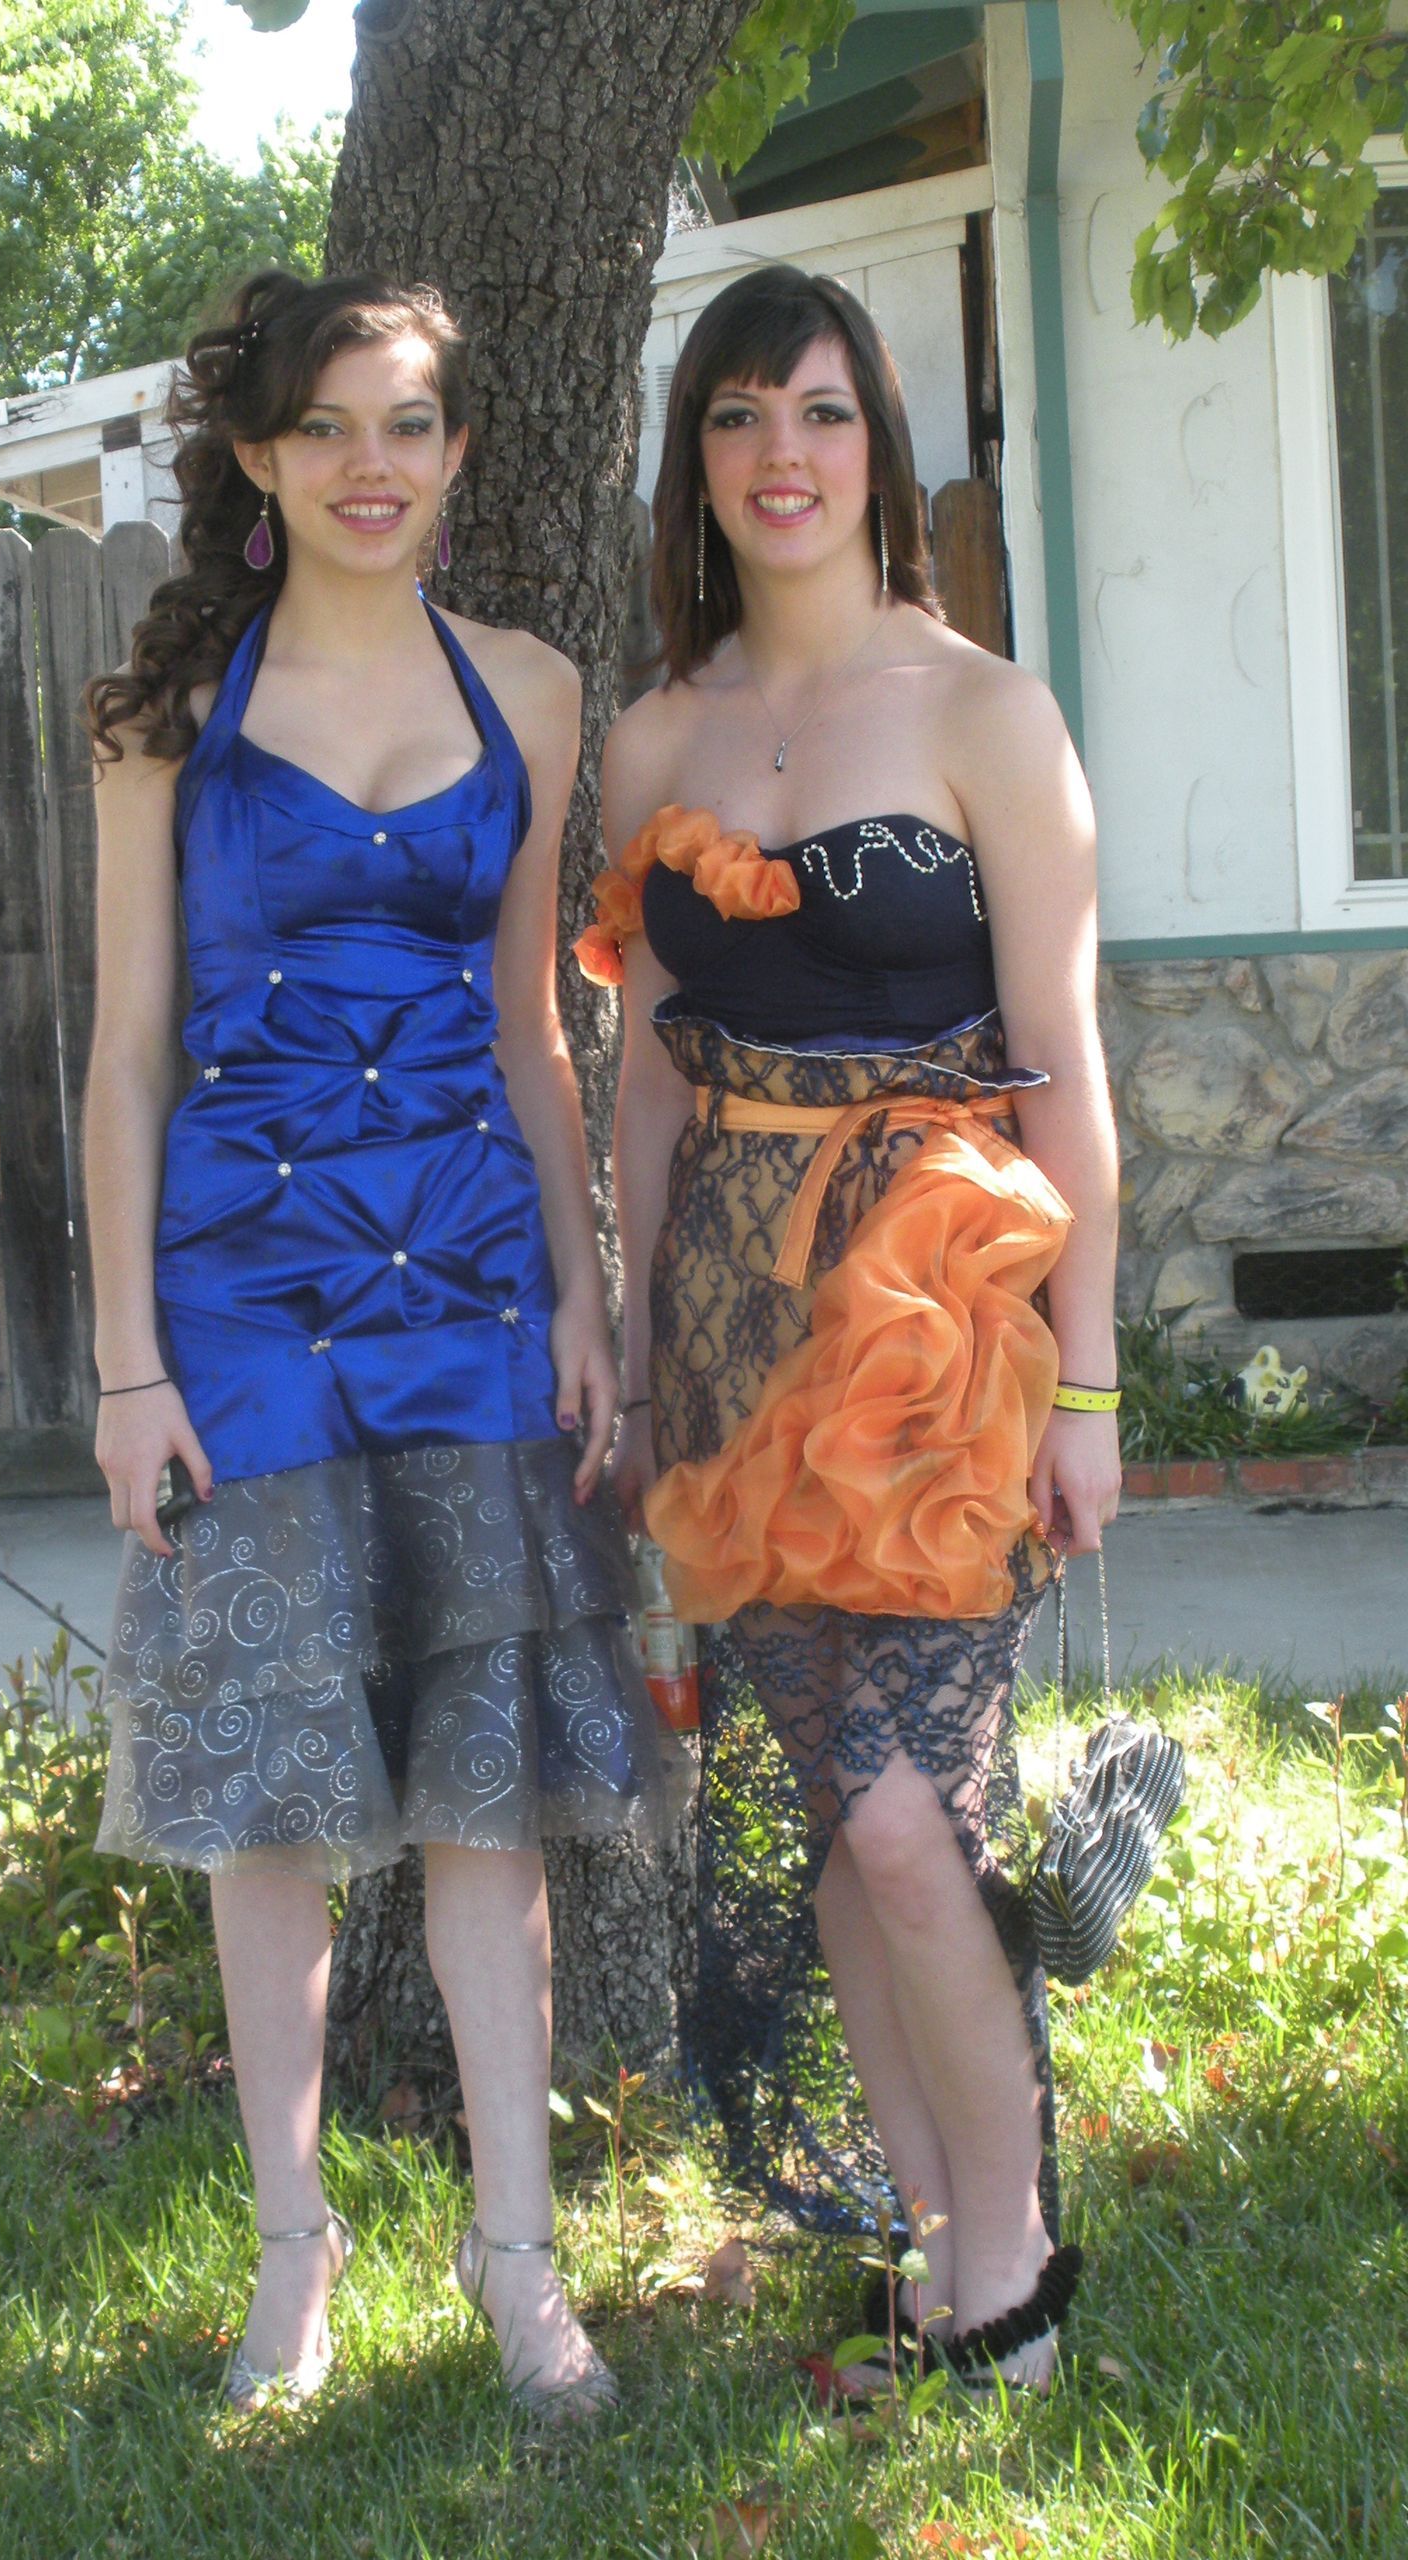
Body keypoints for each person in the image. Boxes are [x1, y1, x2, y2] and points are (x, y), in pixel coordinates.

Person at [82, 270, 677, 2421]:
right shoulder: (167, 713)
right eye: (325, 425)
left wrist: (589, 1292)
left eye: (407, 424)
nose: (369, 464)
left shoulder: (530, 686)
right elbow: (125, 1050)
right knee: (270, 1804)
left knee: (485, 1801)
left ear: (456, 451)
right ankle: (292, 2252)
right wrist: (126, 1360)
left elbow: (536, 1027)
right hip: (245, 1304)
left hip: (474, 1291)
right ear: (259, 456)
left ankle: (520, 2261)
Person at [594, 264, 1121, 2393]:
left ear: (878, 446)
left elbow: (1069, 1064)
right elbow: (647, 1080)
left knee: (907, 1819)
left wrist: (1092, 1382)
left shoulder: (989, 713)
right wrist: (641, 1363)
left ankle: (1017, 2273)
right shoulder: (656, 737)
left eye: (818, 411)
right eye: (737, 416)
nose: (779, 455)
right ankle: (936, 2244)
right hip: (731, 1318)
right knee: (839, 1811)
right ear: (695, 460)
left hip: (939, 1314)